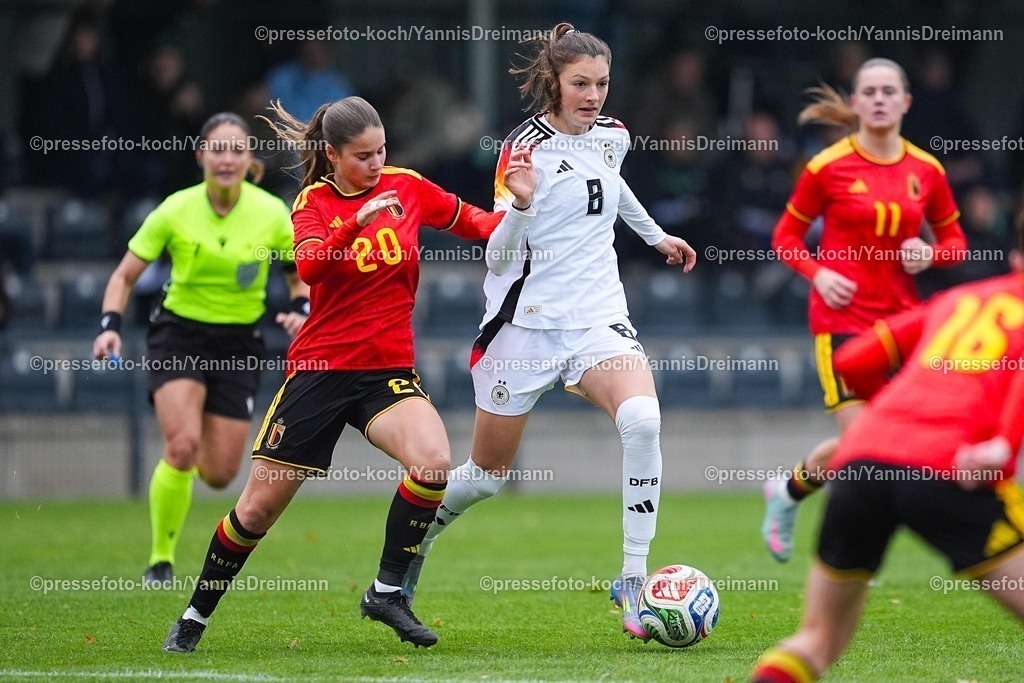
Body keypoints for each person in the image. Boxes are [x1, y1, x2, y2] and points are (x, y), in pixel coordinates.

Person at [160, 96, 537, 652]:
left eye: (382, 150)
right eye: (363, 156)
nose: (377, 163)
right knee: (257, 509)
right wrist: (354, 224)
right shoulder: (313, 202)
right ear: (332, 156)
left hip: (385, 369)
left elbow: (477, 225)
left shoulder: (407, 186)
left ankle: (386, 592)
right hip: (321, 370)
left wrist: (519, 208)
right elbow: (309, 267)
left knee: (433, 464)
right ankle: (194, 615)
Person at [400, 22, 696, 642]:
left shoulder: (613, 137)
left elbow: (611, 189)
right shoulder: (522, 151)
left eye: (602, 84)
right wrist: (525, 205)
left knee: (642, 419)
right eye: (581, 84)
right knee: (485, 474)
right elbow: (500, 256)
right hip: (523, 329)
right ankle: (406, 552)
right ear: (554, 84)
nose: (593, 96)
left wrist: (655, 236)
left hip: (596, 318)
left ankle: (633, 583)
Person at [751, 231, 1024, 683]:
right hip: (948, 470)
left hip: (863, 463)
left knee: (816, 641)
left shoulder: (955, 300)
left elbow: (853, 361)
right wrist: (1004, 445)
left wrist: (898, 420)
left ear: (1015, 256)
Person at [761, 58, 968, 562]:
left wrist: (930, 253)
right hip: (842, 324)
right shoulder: (826, 166)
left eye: (888, 90)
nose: (878, 98)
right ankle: (845, 553)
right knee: (865, 445)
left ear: (905, 102)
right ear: (855, 104)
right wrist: (819, 273)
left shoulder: (927, 170)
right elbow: (785, 238)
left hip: (902, 326)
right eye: (869, 91)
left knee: (885, 443)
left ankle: (788, 490)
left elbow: (956, 242)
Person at [93, 112, 308, 587]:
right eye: (218, 149)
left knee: (219, 473)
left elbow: (297, 274)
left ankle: (181, 482)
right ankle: (160, 560)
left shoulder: (273, 213)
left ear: (248, 158)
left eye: (236, 150)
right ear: (202, 157)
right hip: (179, 336)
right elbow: (123, 276)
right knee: (183, 445)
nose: (227, 159)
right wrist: (110, 325)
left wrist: (301, 305)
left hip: (238, 345)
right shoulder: (175, 209)